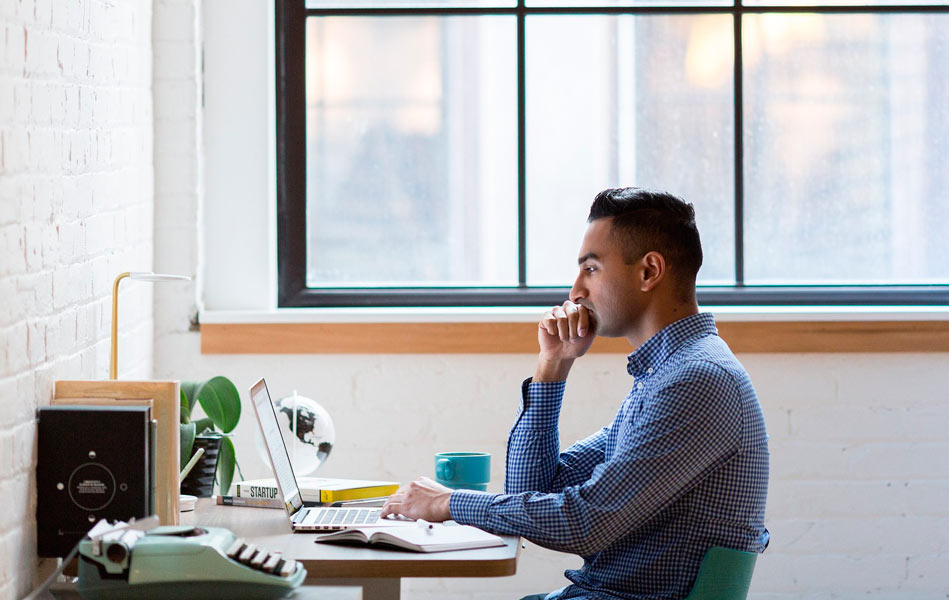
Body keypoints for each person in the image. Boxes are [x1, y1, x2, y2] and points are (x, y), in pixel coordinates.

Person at [381, 187, 769, 600]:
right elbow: (531, 489)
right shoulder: (664, 376)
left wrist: (449, 503)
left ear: (648, 271)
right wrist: (553, 366)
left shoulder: (696, 381)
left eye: (592, 269)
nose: (575, 292)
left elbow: (586, 523)